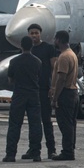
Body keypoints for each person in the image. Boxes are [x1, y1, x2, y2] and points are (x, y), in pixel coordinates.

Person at [4, 36, 44, 162]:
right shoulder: (38, 62)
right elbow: (40, 77)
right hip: (33, 95)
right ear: (32, 46)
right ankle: (36, 153)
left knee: (15, 125)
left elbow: (10, 80)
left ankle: (11, 154)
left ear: (21, 46)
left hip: (19, 94)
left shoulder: (14, 61)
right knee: (35, 125)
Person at [27, 23, 59, 159]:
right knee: (33, 122)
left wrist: (53, 87)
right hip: (31, 90)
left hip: (44, 89)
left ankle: (51, 149)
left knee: (46, 121)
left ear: (40, 34)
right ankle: (33, 149)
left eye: (36, 33)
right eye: (32, 33)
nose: (34, 35)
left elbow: (54, 68)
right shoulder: (27, 50)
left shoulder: (48, 48)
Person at [50, 30, 79, 161]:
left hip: (66, 93)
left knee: (65, 124)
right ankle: (70, 149)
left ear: (59, 40)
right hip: (73, 92)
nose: (54, 42)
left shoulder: (63, 57)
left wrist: (55, 98)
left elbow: (61, 78)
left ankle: (67, 152)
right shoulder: (72, 54)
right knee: (71, 124)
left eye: (55, 39)